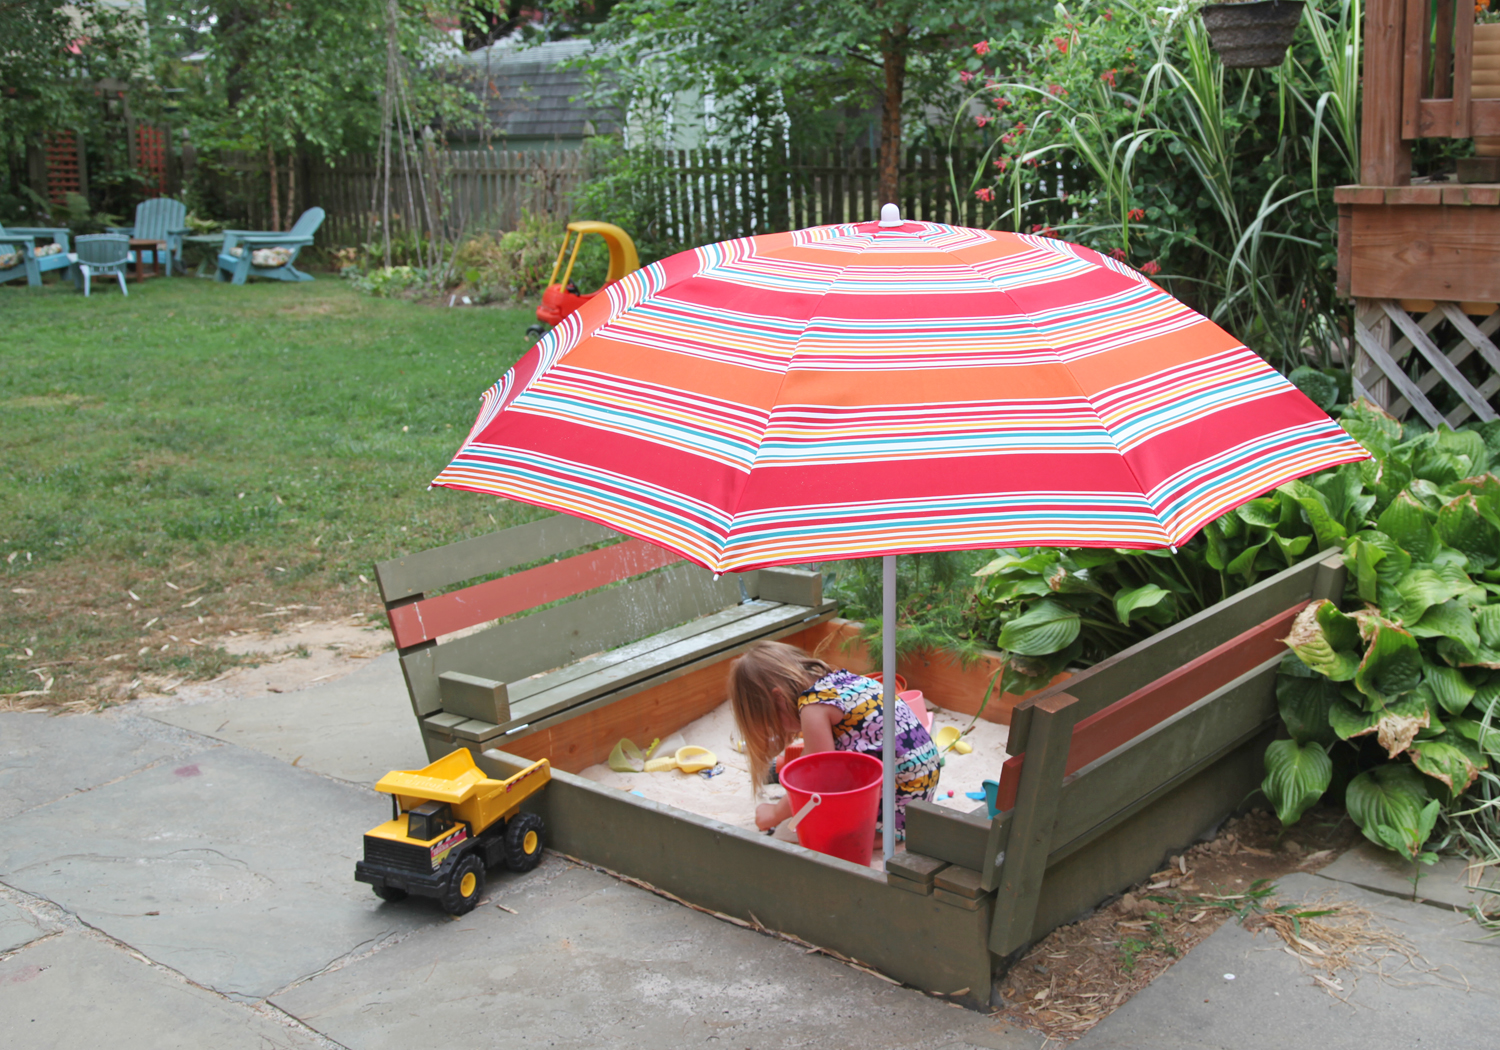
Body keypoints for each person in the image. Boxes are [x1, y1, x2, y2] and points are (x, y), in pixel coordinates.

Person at [727, 640, 940, 839]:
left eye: (774, 722)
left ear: (778, 698)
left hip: (898, 798)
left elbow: (816, 780)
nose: (781, 730)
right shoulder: (842, 681)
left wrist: (774, 813)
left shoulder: (813, 708)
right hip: (921, 780)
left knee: (810, 830)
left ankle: (876, 836)